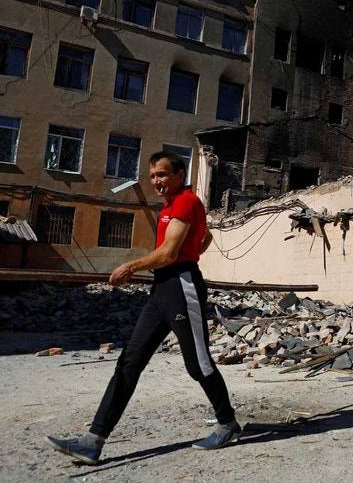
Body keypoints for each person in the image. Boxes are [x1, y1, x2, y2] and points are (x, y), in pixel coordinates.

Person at [46, 151, 241, 465]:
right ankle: (92, 440)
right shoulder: (170, 205)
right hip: (162, 289)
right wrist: (191, 251)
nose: (156, 182)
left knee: (198, 364)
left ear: (180, 174)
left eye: (162, 175)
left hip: (181, 286)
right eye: (152, 176)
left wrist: (131, 267)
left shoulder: (186, 202)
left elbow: (168, 253)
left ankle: (228, 424)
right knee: (129, 362)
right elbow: (204, 236)